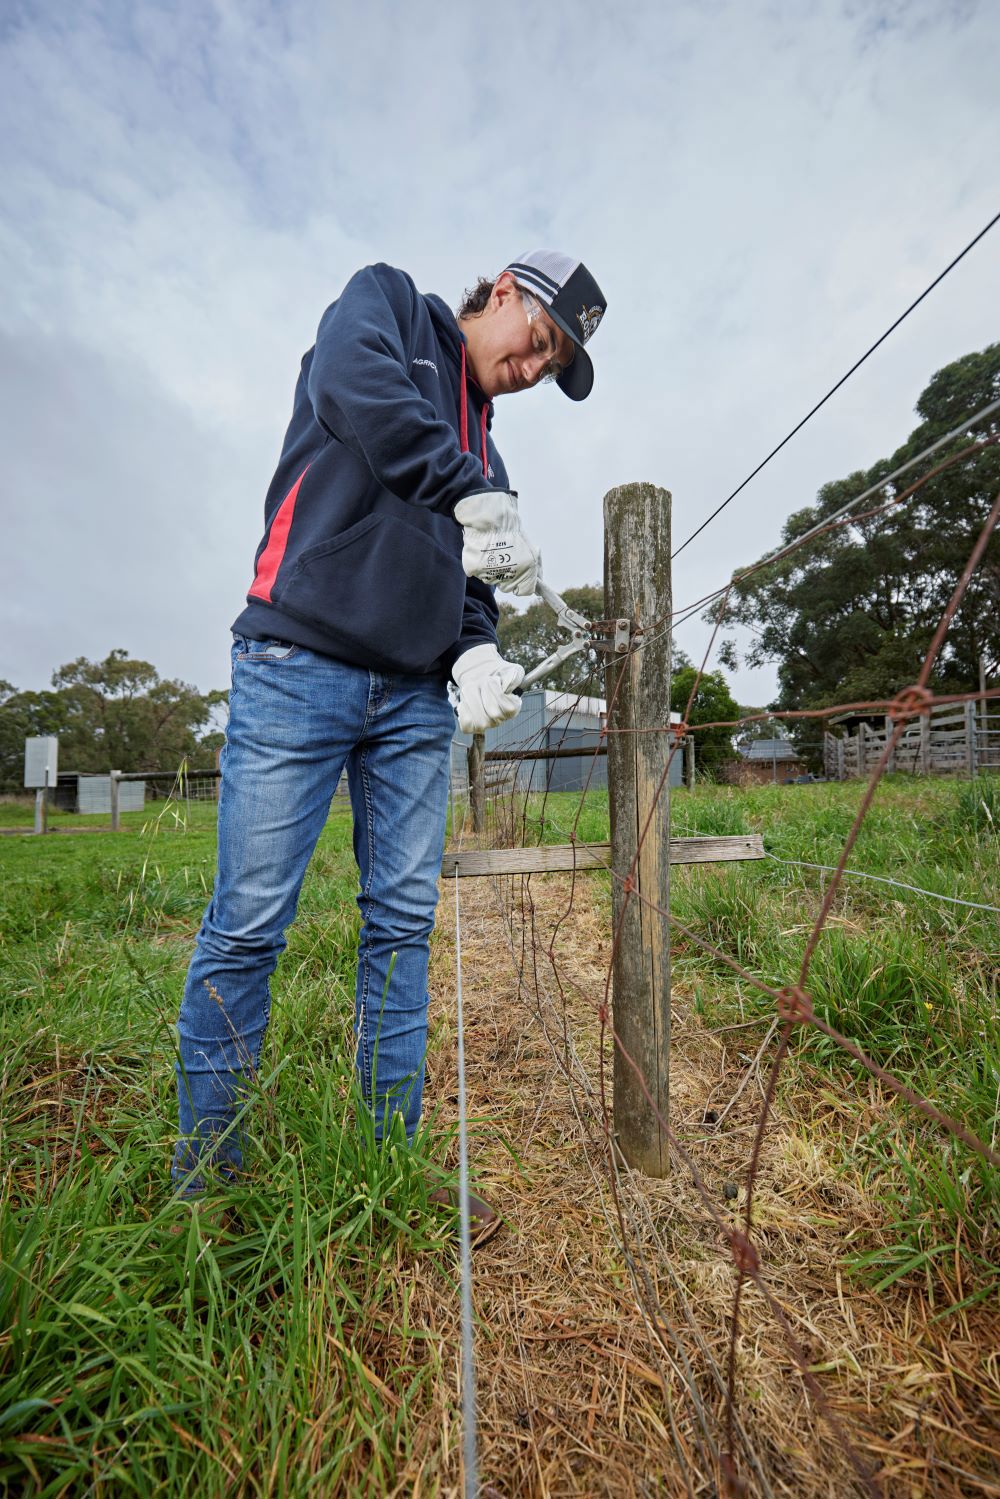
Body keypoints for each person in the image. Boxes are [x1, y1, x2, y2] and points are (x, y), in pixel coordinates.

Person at [172, 250, 608, 1229]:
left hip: (414, 701)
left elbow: (471, 591)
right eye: (539, 341)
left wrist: (476, 655)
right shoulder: (389, 312)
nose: (535, 367)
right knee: (247, 922)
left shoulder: (489, 455)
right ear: (504, 292)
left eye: (553, 366)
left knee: (403, 927)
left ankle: (385, 1168)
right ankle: (207, 1185)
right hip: (299, 661)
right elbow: (347, 386)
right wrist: (467, 491)